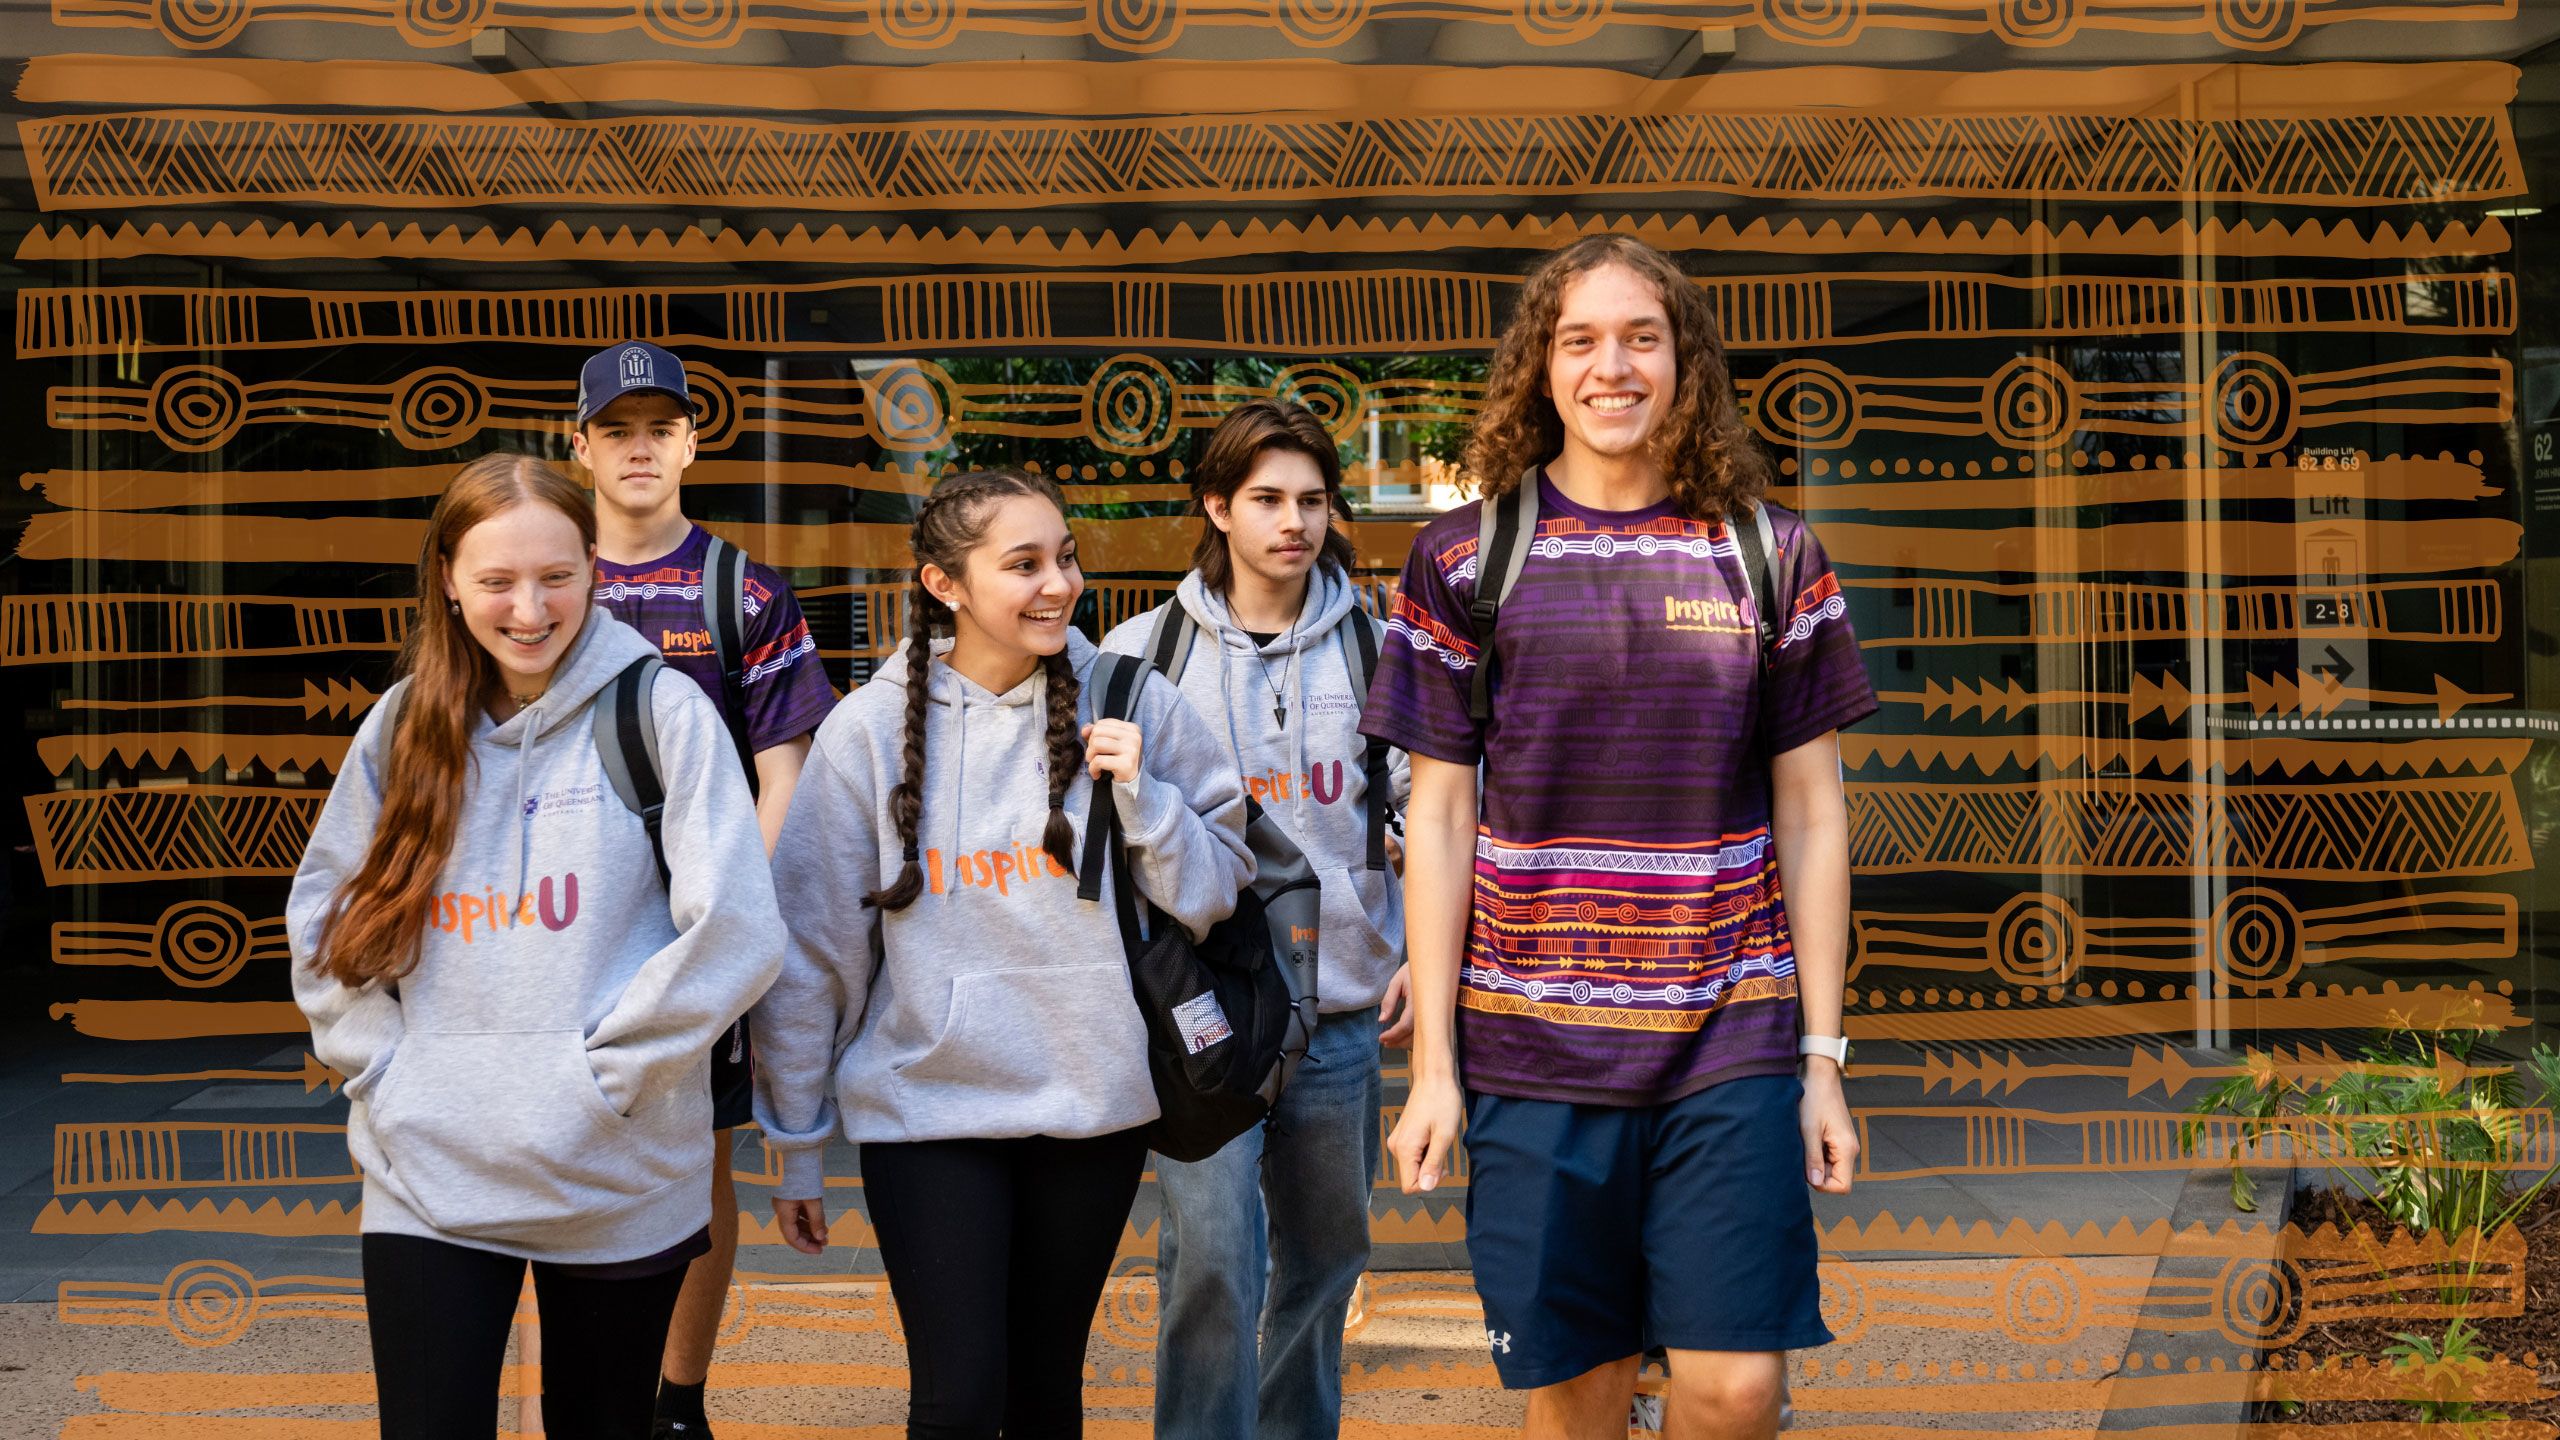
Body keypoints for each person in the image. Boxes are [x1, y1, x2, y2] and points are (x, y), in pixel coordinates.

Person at [1360, 235, 1878, 1439]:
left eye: (1640, 337)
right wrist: (1432, 1068)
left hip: (1728, 1037)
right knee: (1577, 1397)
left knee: (1734, 1390)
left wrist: (1822, 1061)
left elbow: (1811, 814)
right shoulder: (1461, 558)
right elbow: (1435, 819)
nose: (1612, 366)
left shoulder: (1768, 552)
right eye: (1579, 340)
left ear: (1683, 360)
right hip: (1531, 1052)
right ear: (1540, 370)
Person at [287, 453, 784, 1439]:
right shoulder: (401, 727)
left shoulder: (662, 713)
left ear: (594, 568)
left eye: (555, 576)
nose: (528, 608)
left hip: (614, 1173)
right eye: (496, 581)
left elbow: (738, 926)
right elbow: (324, 917)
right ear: (448, 582)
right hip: (425, 1172)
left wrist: (607, 1076)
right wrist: (386, 1067)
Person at [751, 468, 1254, 1440]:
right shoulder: (865, 731)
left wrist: (1145, 800)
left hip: (1088, 1103)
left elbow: (1212, 895)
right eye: (1022, 565)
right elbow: (816, 952)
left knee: (1041, 1396)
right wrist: (797, 1145)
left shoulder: (1129, 696)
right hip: (926, 1110)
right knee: (957, 1399)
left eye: (1063, 558)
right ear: (945, 585)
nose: (1057, 584)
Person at [1098, 400, 1410, 1440]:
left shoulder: (1387, 649)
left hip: (1342, 1009)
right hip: (1205, 1022)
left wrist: (1418, 946)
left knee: (1326, 1261)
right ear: (1216, 506)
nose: (1294, 523)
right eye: (1268, 499)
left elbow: (1433, 812)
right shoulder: (1135, 656)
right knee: (1215, 1259)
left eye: (1313, 501)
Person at [569, 340, 836, 1440]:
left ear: (691, 440)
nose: (640, 448)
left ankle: (678, 1400)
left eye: (660, 427)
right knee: (552, 1149)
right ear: (577, 444)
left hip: (688, 932)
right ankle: (586, 1398)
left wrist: (728, 933)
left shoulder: (742, 590)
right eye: (617, 429)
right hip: (552, 927)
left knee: (696, 1156)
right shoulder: (538, 574)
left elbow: (790, 782)